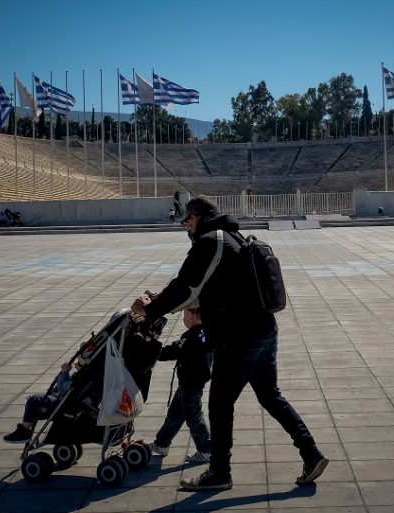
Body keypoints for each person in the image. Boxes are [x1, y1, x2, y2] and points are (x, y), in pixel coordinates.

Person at [131, 195, 328, 491]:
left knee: (220, 404)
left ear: (196, 217)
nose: (186, 227)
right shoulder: (231, 238)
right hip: (264, 331)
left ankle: (219, 472)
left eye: (186, 221)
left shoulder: (211, 241)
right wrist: (161, 299)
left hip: (238, 338)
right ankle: (311, 454)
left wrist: (149, 309)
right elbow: (204, 288)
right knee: (270, 396)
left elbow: (187, 286)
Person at [146, 308, 213, 464]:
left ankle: (206, 449)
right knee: (175, 415)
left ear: (190, 315)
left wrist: (152, 351)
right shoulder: (207, 332)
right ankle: (161, 443)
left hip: (191, 383)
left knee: (194, 418)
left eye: (184, 315)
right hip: (192, 382)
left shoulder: (189, 337)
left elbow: (171, 352)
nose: (183, 318)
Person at [3, 361, 72, 443]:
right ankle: (24, 430)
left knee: (33, 401)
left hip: (64, 406)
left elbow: (64, 390)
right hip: (66, 401)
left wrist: (64, 373)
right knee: (38, 401)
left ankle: (24, 432)